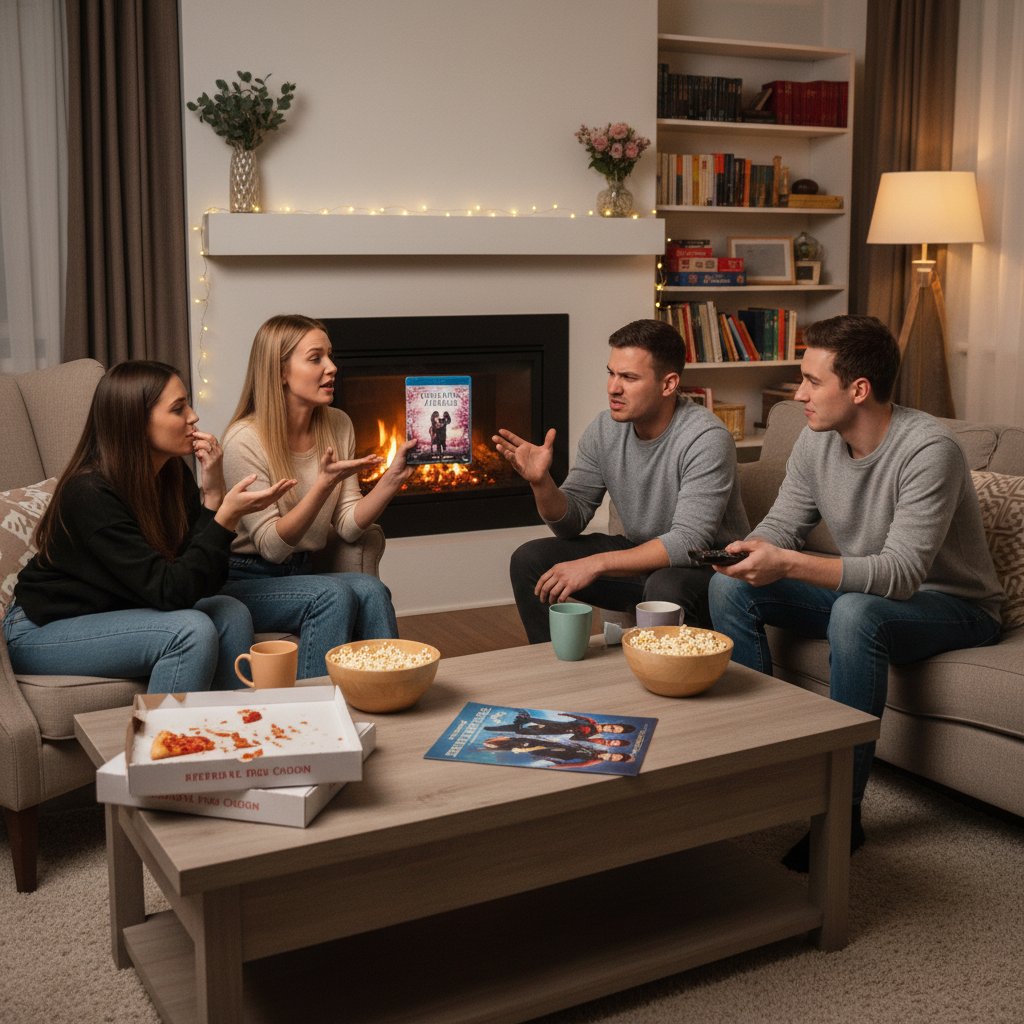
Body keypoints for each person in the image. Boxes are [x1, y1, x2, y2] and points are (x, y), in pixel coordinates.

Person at [707, 314, 1003, 871]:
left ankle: (842, 811)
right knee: (731, 592)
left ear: (859, 389)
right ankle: (768, 762)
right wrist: (749, 552)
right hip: (879, 594)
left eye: (812, 382)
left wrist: (790, 563)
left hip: (957, 606)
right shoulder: (814, 441)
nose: (799, 396)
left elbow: (900, 575)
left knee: (856, 614)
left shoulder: (928, 450)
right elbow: (783, 525)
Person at [3, 361, 292, 693]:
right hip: (40, 630)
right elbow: (170, 592)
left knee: (231, 611)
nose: (193, 417)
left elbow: (197, 581)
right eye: (178, 408)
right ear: (137, 423)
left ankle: (232, 734)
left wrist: (213, 495)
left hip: (116, 610)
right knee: (190, 629)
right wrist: (224, 518)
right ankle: (165, 742)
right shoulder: (88, 493)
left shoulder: (173, 475)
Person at [495, 318, 749, 642]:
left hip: (707, 569)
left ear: (668, 384)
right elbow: (569, 522)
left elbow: (689, 542)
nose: (613, 388)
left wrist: (596, 564)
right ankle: (553, 670)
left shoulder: (705, 437)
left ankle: (661, 676)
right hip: (641, 555)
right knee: (529, 560)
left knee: (664, 586)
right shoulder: (605, 429)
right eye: (612, 373)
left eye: (629, 377)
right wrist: (541, 482)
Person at [221, 314, 415, 679]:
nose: (332, 367)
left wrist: (392, 480)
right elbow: (272, 546)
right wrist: (323, 485)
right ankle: (316, 710)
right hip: (245, 578)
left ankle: (392, 693)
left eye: (330, 355)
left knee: (371, 591)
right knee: (333, 595)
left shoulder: (337, 423)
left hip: (303, 571)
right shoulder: (243, 441)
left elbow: (347, 525)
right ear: (280, 371)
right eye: (316, 358)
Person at [484, 711, 636, 741]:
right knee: (535, 721)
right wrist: (565, 715)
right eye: (614, 727)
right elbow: (578, 717)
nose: (611, 729)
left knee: (526, 732)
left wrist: (583, 735)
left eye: (615, 731)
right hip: (555, 724)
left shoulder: (592, 735)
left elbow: (573, 738)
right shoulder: (591, 722)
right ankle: (523, 717)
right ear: (612, 724)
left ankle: (491, 729)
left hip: (555, 732)